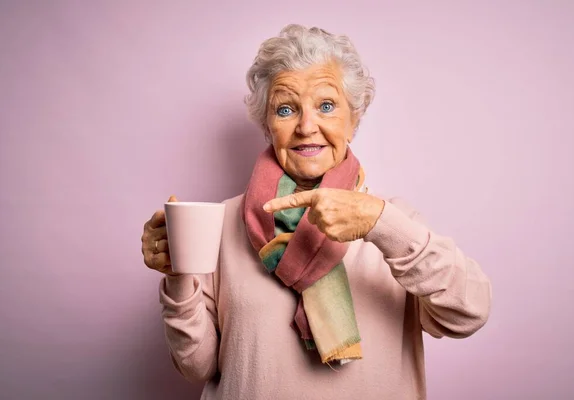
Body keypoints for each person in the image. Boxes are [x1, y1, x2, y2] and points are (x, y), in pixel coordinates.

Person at [141, 24, 491, 400]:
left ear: (354, 120)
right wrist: (178, 275)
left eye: (326, 106)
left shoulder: (393, 224)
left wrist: (378, 224)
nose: (307, 127)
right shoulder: (221, 222)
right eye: (286, 109)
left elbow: (467, 313)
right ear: (267, 126)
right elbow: (197, 366)